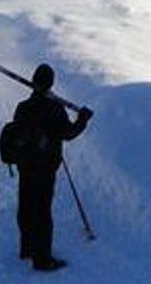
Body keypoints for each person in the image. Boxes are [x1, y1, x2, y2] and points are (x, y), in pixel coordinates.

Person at [12, 63, 92, 272]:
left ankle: (27, 248)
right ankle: (42, 259)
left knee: (26, 205)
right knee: (42, 211)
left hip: (25, 164)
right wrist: (83, 120)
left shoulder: (23, 107)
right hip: (45, 166)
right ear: (51, 84)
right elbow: (68, 134)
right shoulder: (54, 109)